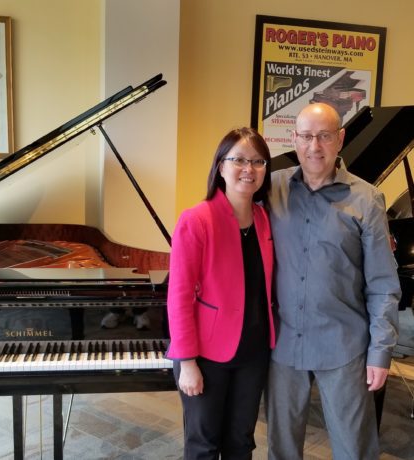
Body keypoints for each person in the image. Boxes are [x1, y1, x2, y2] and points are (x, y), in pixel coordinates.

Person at [266, 102, 401, 460]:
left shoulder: (367, 199)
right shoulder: (272, 188)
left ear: (340, 139)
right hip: (283, 345)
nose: (315, 146)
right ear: (294, 138)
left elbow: (383, 284)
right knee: (281, 449)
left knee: (354, 449)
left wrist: (381, 352)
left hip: (343, 346)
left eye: (324, 136)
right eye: (307, 136)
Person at [167, 127, 276, 460]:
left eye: (258, 161)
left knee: (241, 442)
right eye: (239, 159)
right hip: (206, 355)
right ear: (221, 166)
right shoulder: (197, 219)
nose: (249, 169)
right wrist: (187, 362)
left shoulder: (264, 218)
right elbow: (179, 296)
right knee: (203, 444)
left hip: (254, 352)